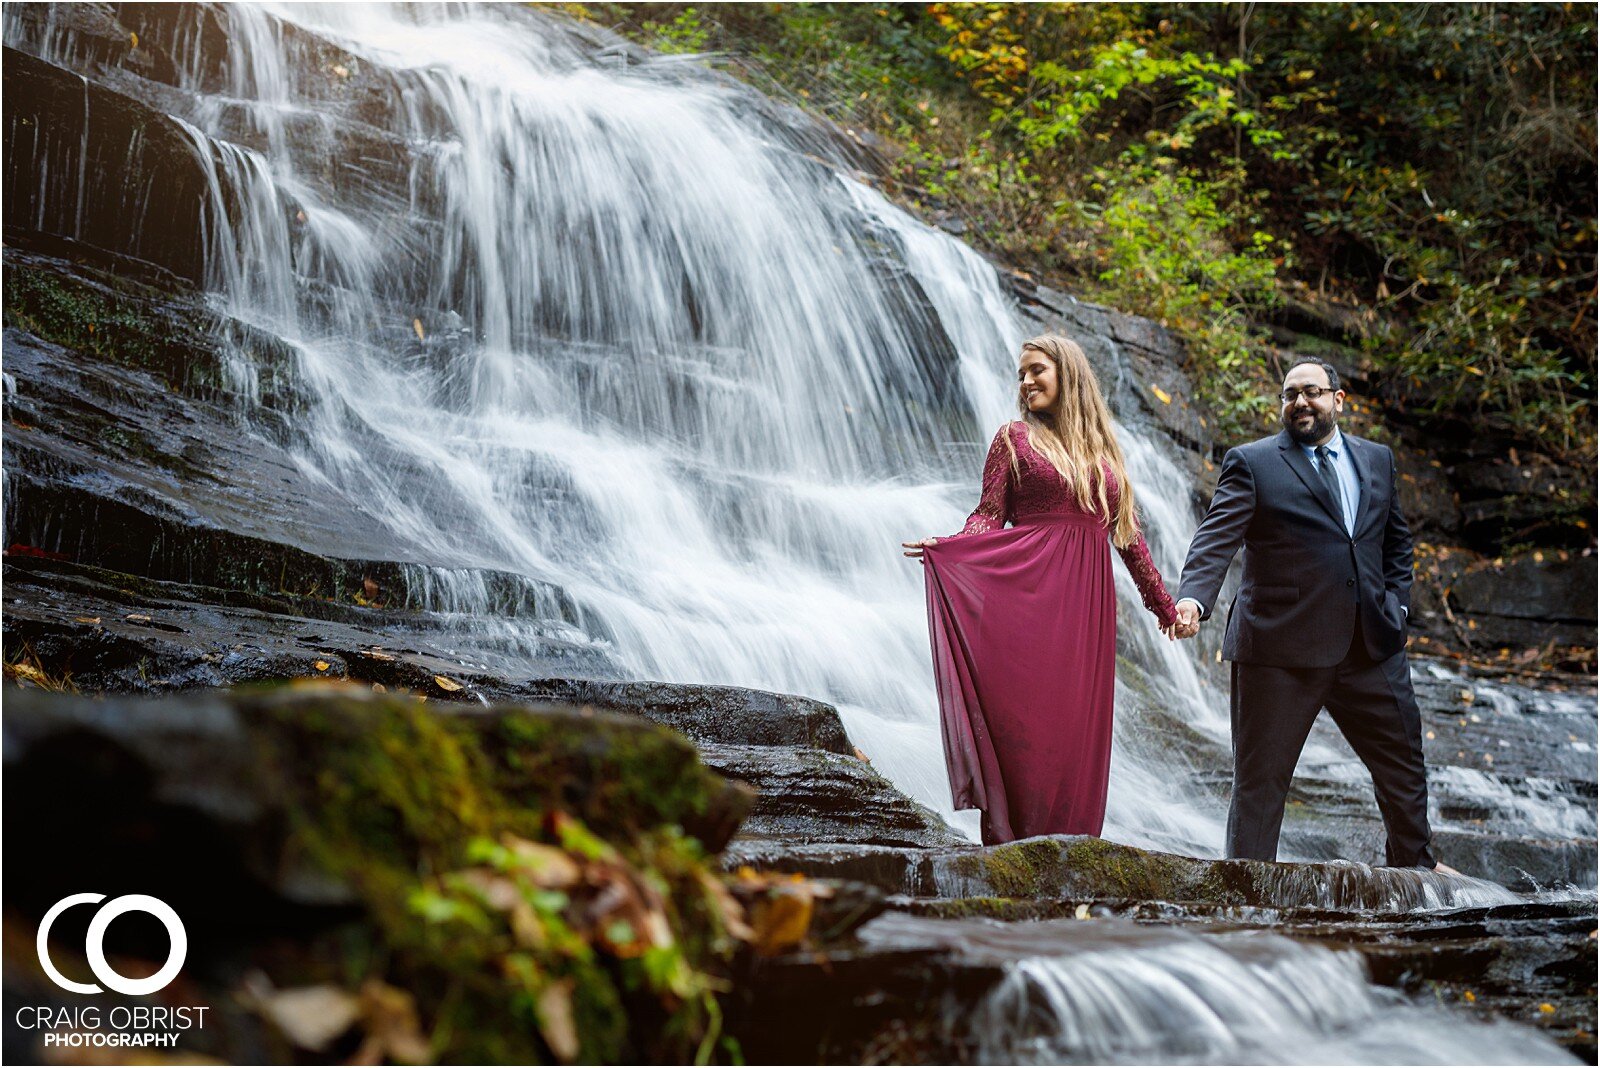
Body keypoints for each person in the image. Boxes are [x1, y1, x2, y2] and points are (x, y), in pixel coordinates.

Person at [903, 335, 1189, 845]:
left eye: (1037, 370)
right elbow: (989, 515)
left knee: (1072, 734)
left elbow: (1129, 540)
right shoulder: (1013, 438)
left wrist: (1165, 609)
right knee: (1028, 731)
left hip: (1084, 612)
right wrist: (950, 546)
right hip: (1025, 601)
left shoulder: (1104, 453)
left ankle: (1069, 849)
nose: (1026, 381)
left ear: (1069, 374)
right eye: (1021, 374)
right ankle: (1013, 847)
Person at [1172, 355, 1446, 870]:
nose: (1301, 401)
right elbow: (1215, 538)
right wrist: (1193, 598)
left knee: (1404, 773)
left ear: (1338, 400)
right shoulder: (1253, 463)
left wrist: (1399, 605)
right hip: (1280, 650)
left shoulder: (1377, 460)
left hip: (1371, 645)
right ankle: (1248, 904)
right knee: (1260, 785)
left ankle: (1416, 884)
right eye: (1290, 393)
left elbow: (1397, 542)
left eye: (1312, 391)